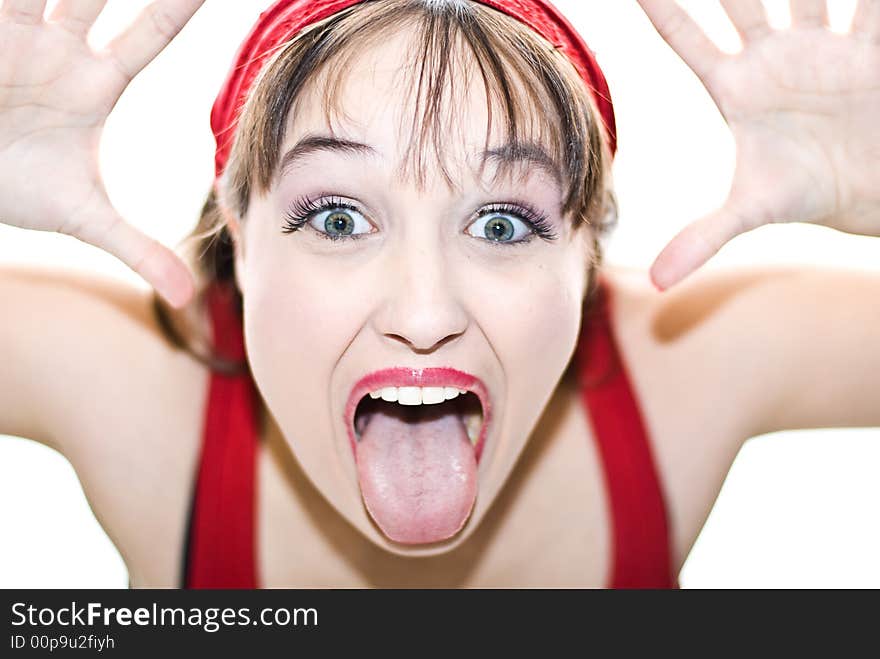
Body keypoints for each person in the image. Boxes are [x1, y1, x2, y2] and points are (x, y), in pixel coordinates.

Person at [0, 0, 878, 588]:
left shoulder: (686, 365)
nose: (424, 317)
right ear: (236, 229)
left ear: (587, 255)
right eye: (339, 217)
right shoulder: (146, 396)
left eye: (500, 224)